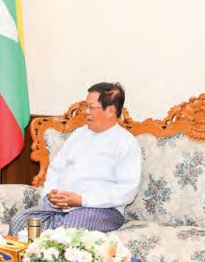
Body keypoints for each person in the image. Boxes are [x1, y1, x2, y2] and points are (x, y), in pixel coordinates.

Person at [8, 82, 142, 236]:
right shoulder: (78, 134)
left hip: (103, 210)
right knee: (19, 222)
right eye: (86, 106)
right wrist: (52, 193)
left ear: (110, 111)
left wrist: (82, 200)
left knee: (70, 228)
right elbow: (56, 169)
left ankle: (54, 231)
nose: (86, 112)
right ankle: (51, 232)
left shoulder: (126, 143)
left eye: (91, 107)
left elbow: (127, 190)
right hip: (60, 208)